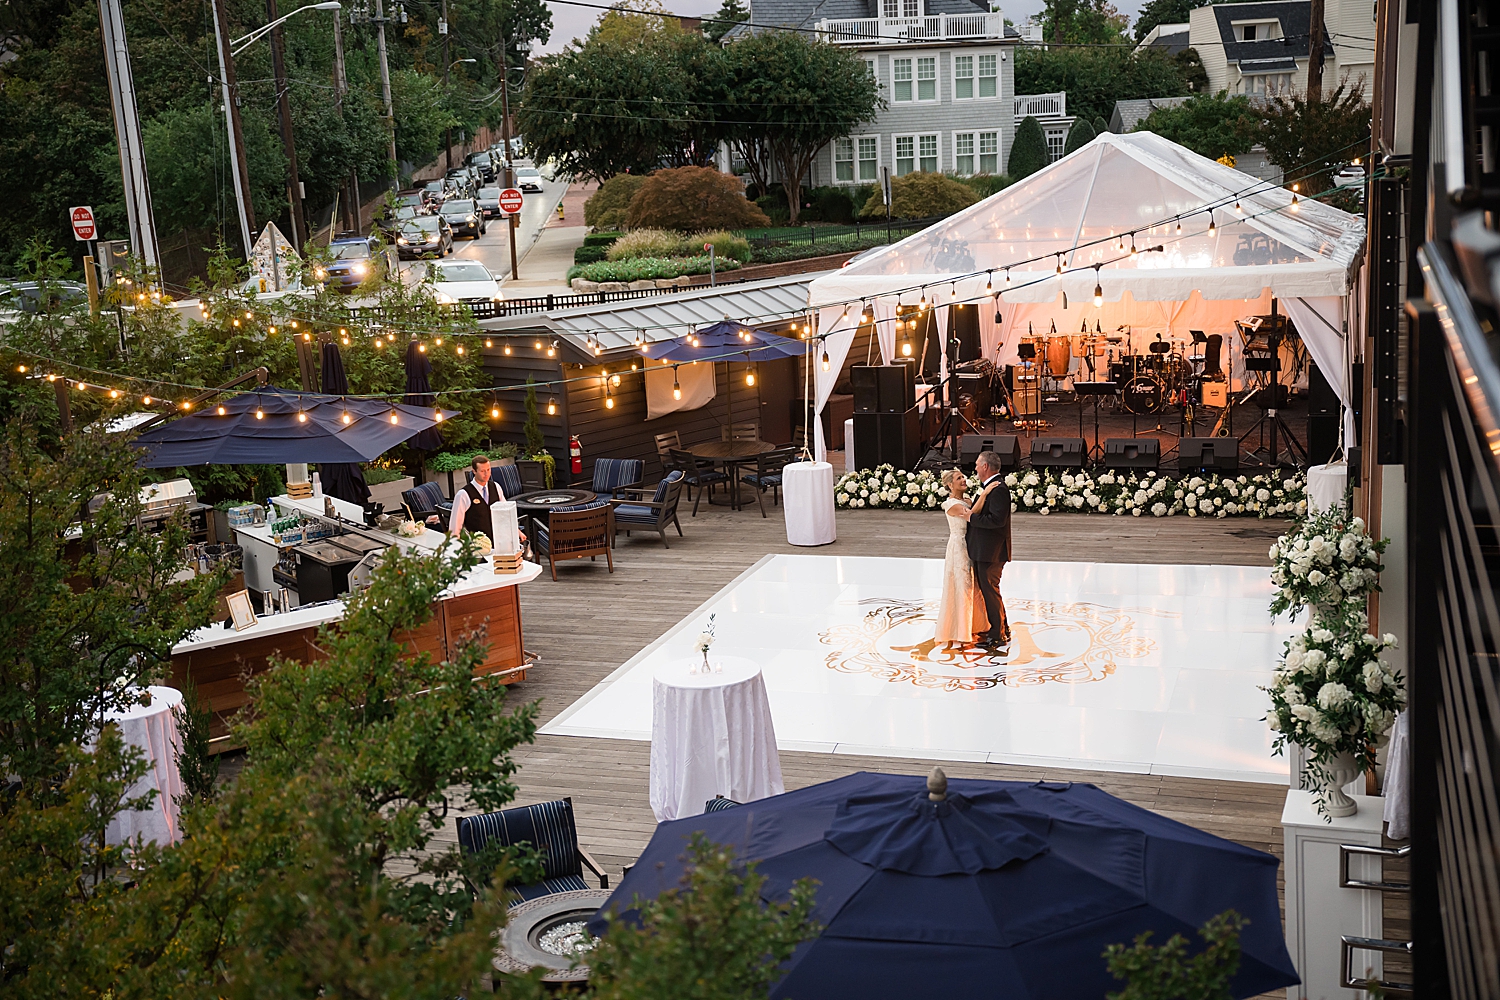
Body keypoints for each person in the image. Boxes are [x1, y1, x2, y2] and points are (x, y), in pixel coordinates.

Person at [933, 468, 989, 648]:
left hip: (971, 543)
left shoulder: (967, 500)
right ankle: (957, 629)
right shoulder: (951, 505)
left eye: (963, 477)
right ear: (950, 484)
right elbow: (971, 514)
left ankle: (974, 624)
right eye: (959, 478)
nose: (963, 480)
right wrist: (985, 493)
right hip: (958, 547)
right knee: (960, 585)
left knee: (972, 585)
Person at [963, 450, 1012, 649]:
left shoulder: (998, 489)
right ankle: (1002, 628)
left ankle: (997, 636)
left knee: (991, 592)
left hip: (991, 551)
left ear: (985, 467)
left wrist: (971, 518)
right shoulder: (990, 487)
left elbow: (997, 520)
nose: (974, 468)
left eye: (977, 464)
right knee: (990, 591)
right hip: (985, 550)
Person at [447, 454, 505, 538]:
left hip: (499, 540)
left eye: (488, 470)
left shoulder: (496, 487)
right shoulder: (463, 494)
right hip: (476, 545)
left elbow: (505, 513)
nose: (486, 474)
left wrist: (517, 532)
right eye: (482, 471)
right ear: (474, 471)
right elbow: (455, 528)